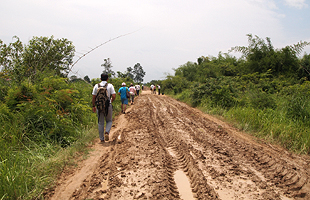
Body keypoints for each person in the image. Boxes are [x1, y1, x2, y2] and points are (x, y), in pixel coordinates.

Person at [92, 73, 116, 142]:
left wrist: (93, 106)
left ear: (100, 79)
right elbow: (114, 96)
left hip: (99, 106)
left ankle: (101, 139)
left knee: (100, 122)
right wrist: (111, 101)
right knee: (109, 120)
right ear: (107, 79)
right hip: (108, 105)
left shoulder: (96, 86)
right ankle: (107, 132)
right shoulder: (110, 86)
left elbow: (94, 97)